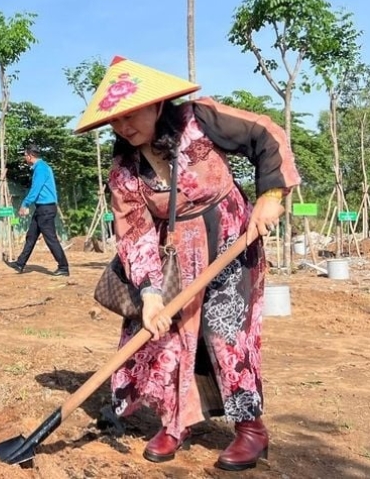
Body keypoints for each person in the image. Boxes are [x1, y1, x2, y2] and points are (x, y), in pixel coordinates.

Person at [75, 56, 300, 471]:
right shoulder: (124, 170)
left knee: (226, 331)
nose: (123, 127)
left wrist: (270, 196)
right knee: (167, 334)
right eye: (114, 120)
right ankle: (177, 422)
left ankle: (251, 430)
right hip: (175, 258)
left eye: (130, 115)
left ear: (157, 104)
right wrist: (150, 295)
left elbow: (265, 134)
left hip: (233, 241)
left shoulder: (200, 120)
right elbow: (135, 232)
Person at [5, 145, 71, 276]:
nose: (24, 158)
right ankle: (20, 263)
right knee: (31, 236)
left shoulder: (40, 168)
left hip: (45, 208)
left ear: (30, 156)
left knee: (50, 239)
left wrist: (25, 204)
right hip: (42, 208)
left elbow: (36, 189)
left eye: (25, 155)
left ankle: (63, 267)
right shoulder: (42, 167)